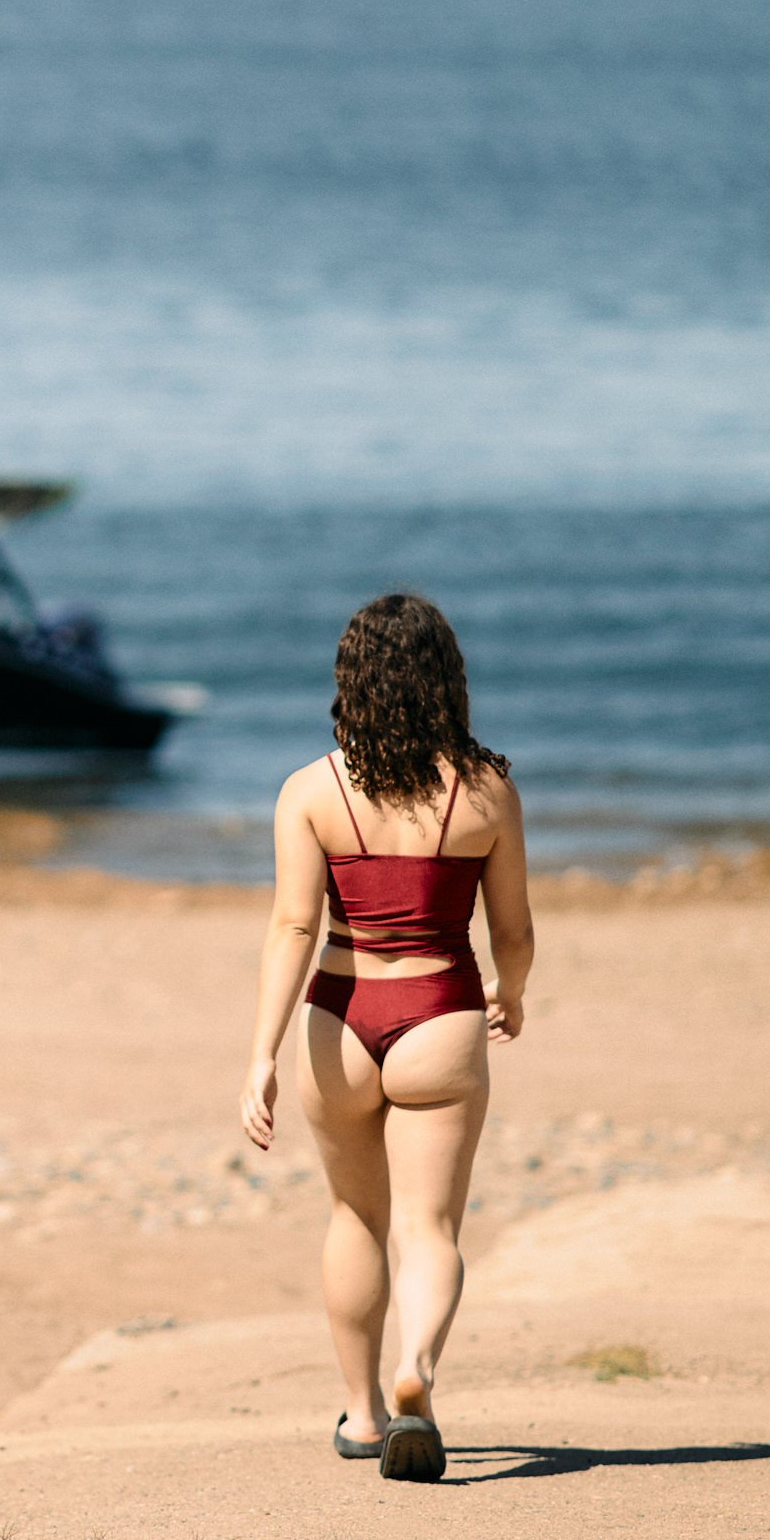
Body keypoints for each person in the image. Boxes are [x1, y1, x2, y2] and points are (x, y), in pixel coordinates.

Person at [241, 590, 533, 1483]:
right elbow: (513, 931)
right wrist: (510, 992)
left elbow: (294, 927)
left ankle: (365, 1415)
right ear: (447, 680)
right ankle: (421, 1371)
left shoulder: (310, 791)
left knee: (353, 1216)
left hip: (337, 1016)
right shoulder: (486, 793)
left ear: (351, 680)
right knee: (429, 1224)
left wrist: (259, 1055)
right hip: (440, 1014)